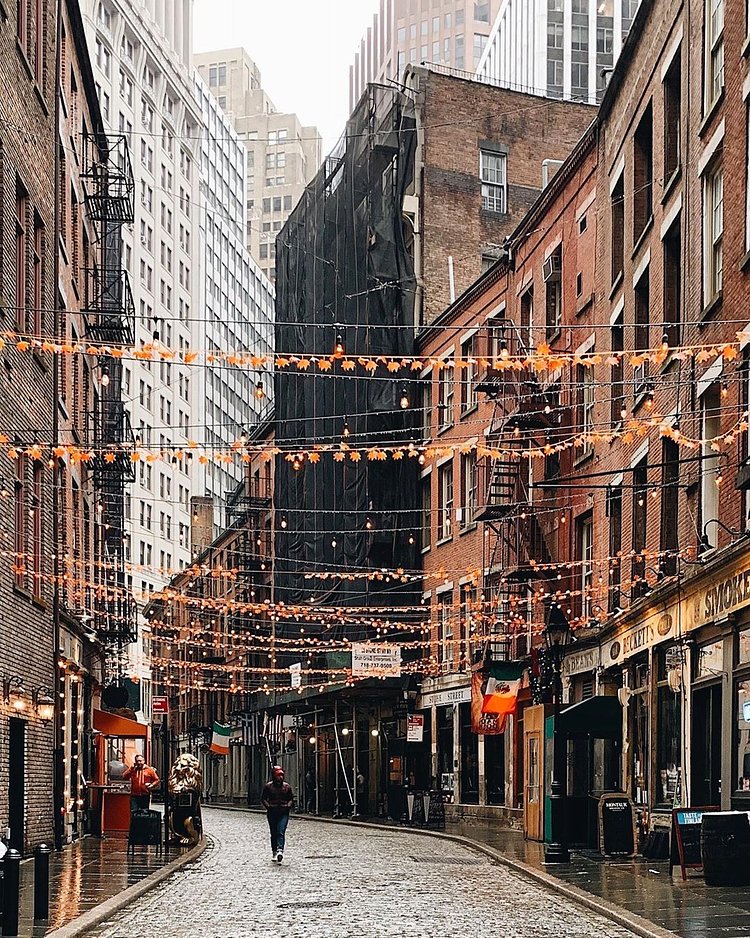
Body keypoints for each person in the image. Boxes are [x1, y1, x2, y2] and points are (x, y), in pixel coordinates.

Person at [261, 765, 294, 863]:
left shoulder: (287, 787)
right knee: (273, 832)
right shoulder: (268, 787)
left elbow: (291, 798)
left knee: (280, 831)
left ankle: (280, 850)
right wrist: (269, 806)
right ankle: (274, 851)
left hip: (283, 812)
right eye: (278, 775)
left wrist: (288, 805)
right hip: (272, 812)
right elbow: (263, 798)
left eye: (281, 775)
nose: (280, 777)